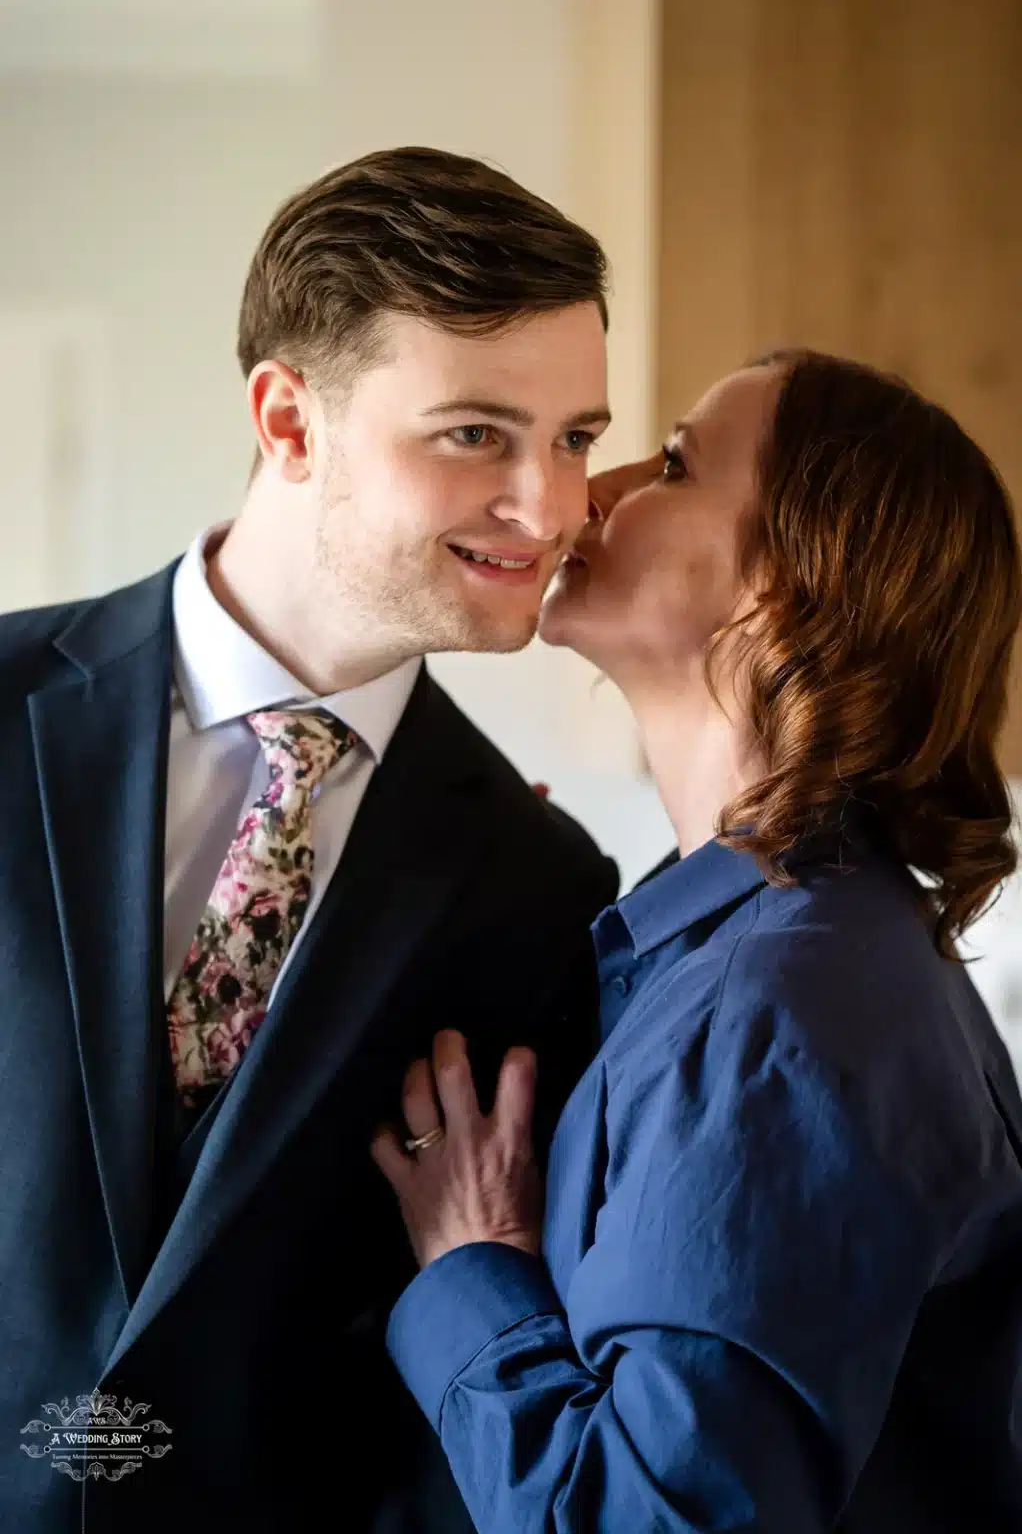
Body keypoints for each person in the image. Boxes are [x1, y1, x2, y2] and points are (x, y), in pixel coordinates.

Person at [0, 146, 619, 1533]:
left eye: (574, 436)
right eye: (475, 433)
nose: (551, 506)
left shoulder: (543, 889)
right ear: (288, 421)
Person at [374, 350, 1022, 1532]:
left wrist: (475, 1267)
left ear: (785, 585)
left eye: (671, 464)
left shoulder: (776, 1010)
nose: (586, 492)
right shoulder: (777, 949)